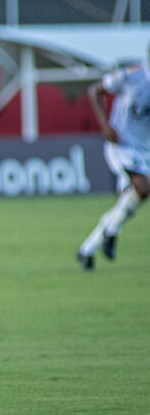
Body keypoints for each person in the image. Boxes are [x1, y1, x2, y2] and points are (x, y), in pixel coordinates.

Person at [76, 44, 150, 271]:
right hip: (121, 144)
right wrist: (105, 125)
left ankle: (88, 249)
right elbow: (95, 90)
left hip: (145, 149)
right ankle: (109, 233)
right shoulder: (132, 75)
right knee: (142, 187)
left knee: (126, 202)